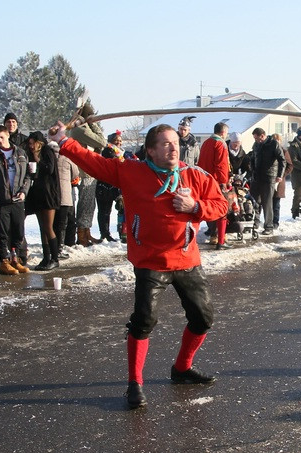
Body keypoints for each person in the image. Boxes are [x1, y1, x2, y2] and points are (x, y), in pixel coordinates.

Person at [51, 120, 228, 410]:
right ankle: (135, 383)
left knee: (203, 318)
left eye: (176, 143)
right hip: (150, 262)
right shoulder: (131, 171)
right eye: (166, 144)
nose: (174, 148)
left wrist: (195, 207)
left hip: (186, 260)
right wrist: (64, 141)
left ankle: (181, 369)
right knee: (144, 321)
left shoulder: (193, 175)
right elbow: (92, 162)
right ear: (150, 150)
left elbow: (221, 205)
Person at [0, 124, 31, 275]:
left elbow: (27, 175)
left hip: (18, 199)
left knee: (18, 231)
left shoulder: (20, 152)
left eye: (1, 137)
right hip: (2, 200)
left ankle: (16, 259)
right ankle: (4, 261)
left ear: (7, 136)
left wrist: (24, 192)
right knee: (3, 233)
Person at [24, 131, 61, 270]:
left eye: (32, 143)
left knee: (48, 227)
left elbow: (50, 169)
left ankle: (55, 258)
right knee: (42, 228)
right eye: (29, 144)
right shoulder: (31, 154)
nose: (31, 146)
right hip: (38, 193)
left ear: (39, 143)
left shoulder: (47, 151)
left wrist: (37, 160)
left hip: (49, 194)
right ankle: (46, 257)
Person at [197, 122, 232, 250]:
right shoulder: (220, 144)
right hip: (216, 182)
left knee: (207, 209)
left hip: (204, 180)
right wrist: (223, 182)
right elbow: (221, 165)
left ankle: (213, 234)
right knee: (222, 210)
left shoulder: (206, 143)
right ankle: (220, 239)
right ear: (223, 132)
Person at [250, 127, 284, 235]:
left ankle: (269, 226)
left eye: (258, 138)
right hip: (257, 176)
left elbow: (282, 159)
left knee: (267, 202)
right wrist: (252, 169)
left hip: (269, 176)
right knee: (254, 201)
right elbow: (253, 158)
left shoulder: (273, 144)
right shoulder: (256, 145)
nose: (257, 141)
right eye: (255, 139)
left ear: (263, 135)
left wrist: (280, 175)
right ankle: (254, 223)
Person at [95, 132, 125, 243]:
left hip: (113, 185)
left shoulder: (119, 152)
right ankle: (104, 233)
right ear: (111, 141)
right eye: (117, 140)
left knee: (114, 209)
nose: (119, 142)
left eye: (120, 140)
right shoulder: (108, 151)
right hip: (104, 185)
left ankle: (118, 232)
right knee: (104, 211)